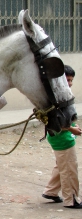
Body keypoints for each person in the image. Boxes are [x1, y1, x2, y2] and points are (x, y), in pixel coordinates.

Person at [42, 65, 82, 208]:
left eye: (71, 80)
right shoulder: (56, 97)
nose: (70, 83)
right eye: (67, 80)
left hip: (60, 136)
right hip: (61, 138)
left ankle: (51, 191)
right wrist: (71, 128)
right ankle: (71, 200)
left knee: (62, 165)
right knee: (69, 168)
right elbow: (55, 122)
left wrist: (72, 127)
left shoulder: (59, 95)